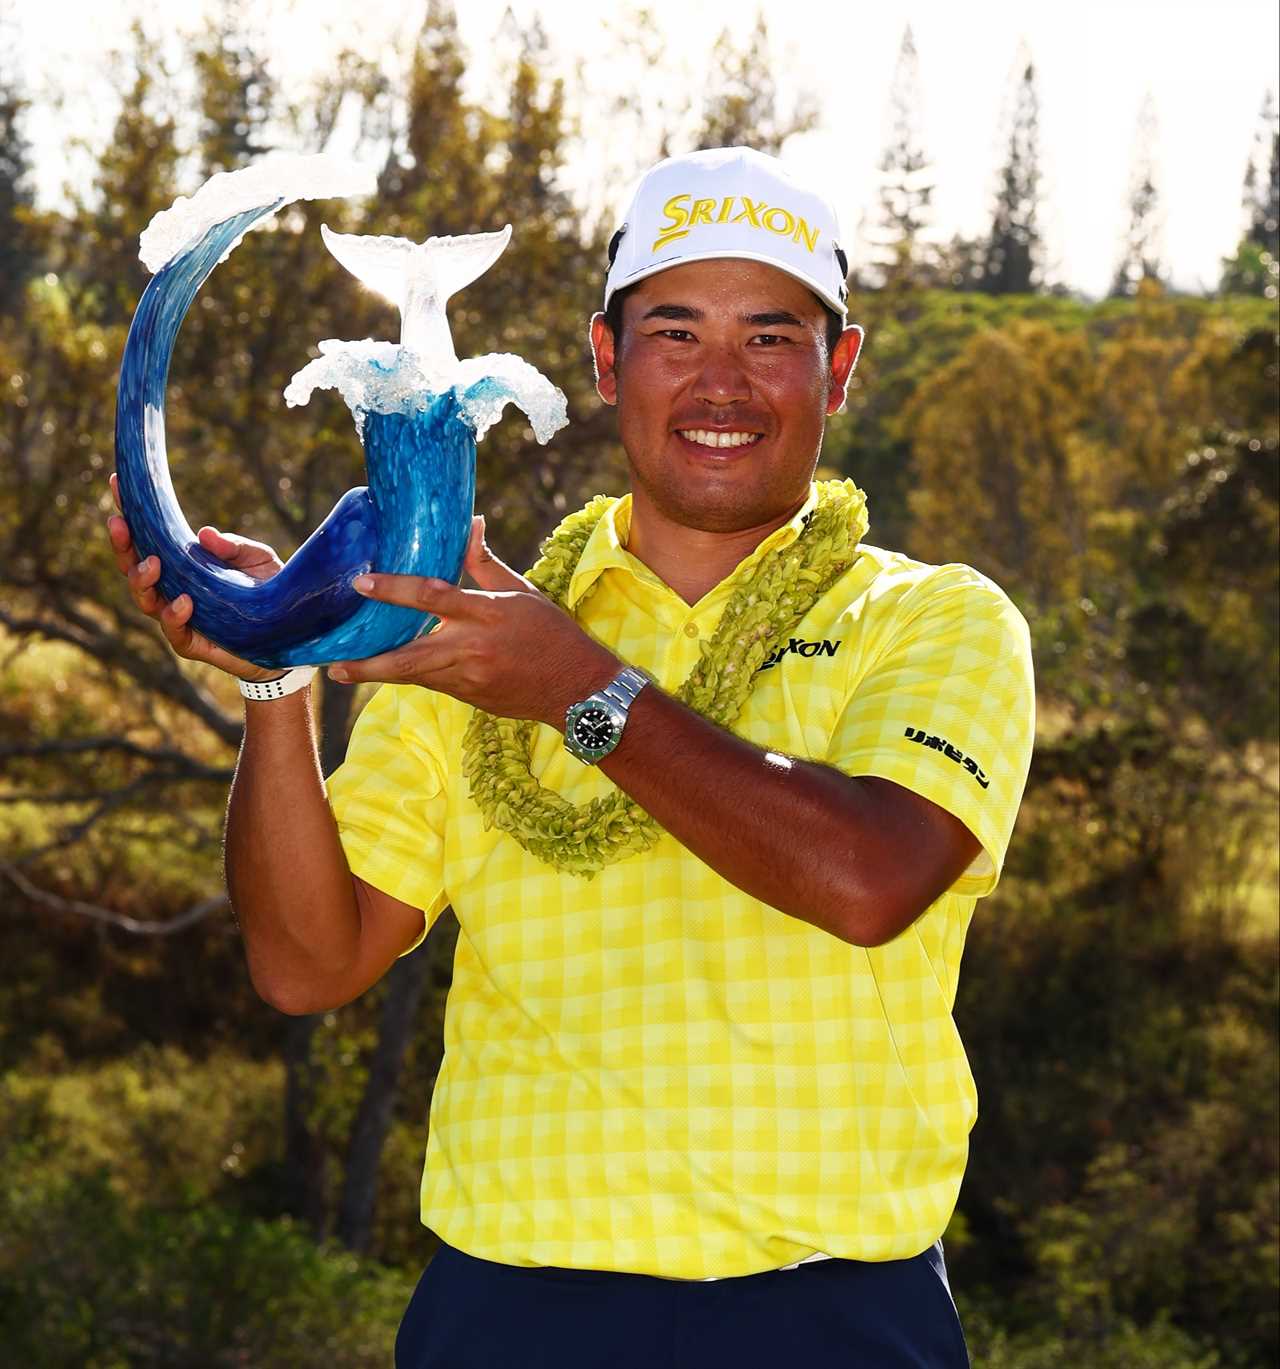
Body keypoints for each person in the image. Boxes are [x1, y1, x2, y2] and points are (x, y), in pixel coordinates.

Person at [108, 146, 1035, 1368]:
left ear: (839, 368)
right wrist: (276, 671)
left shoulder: (935, 619)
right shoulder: (479, 627)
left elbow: (867, 878)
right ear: (604, 362)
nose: (721, 383)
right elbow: (306, 960)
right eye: (672, 332)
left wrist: (577, 688)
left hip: (828, 1316)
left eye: (769, 337)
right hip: (509, 1315)